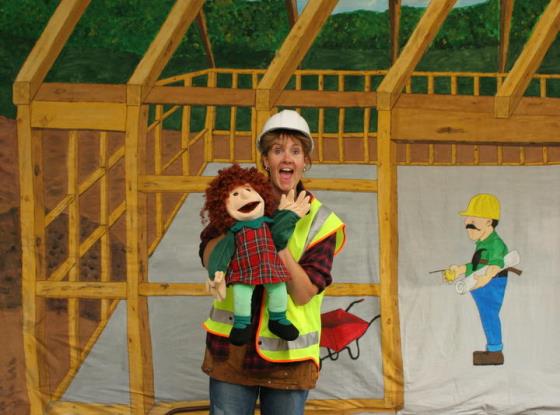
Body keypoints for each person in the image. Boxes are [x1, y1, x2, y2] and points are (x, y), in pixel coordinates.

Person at [199, 109, 346, 414]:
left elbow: (303, 293)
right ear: (266, 159)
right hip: (232, 349)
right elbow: (209, 257)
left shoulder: (321, 220)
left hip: (290, 358)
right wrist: (240, 225)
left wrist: (274, 240)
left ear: (305, 162)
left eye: (296, 151)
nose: (287, 158)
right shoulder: (239, 200)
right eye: (278, 150)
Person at [444, 193, 510, 366]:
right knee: (486, 315)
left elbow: (495, 265)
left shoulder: (495, 244)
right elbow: (477, 265)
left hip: (490, 285)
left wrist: (485, 278)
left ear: (489, 222)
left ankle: (495, 352)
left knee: (489, 315)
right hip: (481, 284)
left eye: (473, 220)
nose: (467, 223)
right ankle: (493, 351)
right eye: (467, 220)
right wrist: (459, 270)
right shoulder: (483, 243)